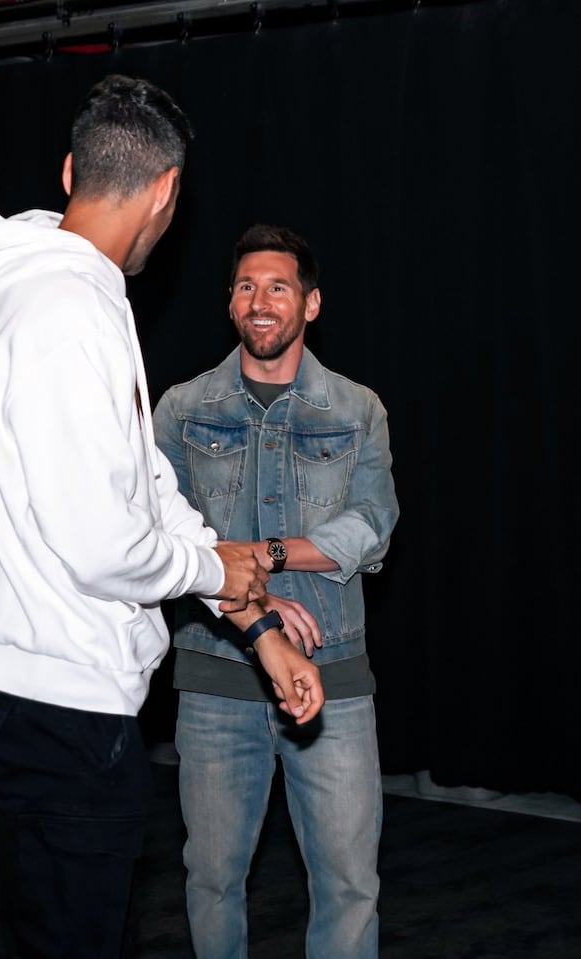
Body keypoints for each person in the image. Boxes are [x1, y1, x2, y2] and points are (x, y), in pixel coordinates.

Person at [0, 77, 323, 959]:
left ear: (72, 168)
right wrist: (212, 571)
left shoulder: (42, 293)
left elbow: (144, 488)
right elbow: (102, 542)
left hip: (23, 692)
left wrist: (257, 625)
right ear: (166, 193)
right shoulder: (70, 310)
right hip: (57, 701)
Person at [153, 223, 400, 959]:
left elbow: (372, 527)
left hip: (335, 676)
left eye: (278, 286)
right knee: (212, 878)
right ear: (230, 303)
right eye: (245, 286)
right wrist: (253, 596)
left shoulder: (357, 409)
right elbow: (167, 535)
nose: (260, 301)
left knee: (349, 884)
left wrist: (258, 556)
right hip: (214, 677)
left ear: (310, 303)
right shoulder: (181, 408)